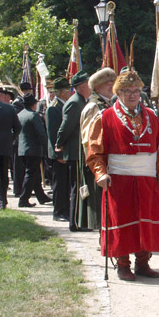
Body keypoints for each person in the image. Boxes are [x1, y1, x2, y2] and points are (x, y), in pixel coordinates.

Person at [86, 69, 159, 281]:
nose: (132, 95)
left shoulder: (152, 117)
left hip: (146, 178)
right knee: (123, 221)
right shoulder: (104, 117)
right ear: (118, 92)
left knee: (145, 221)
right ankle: (122, 264)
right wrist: (101, 174)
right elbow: (95, 151)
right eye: (126, 91)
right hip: (119, 179)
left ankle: (143, 262)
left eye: (136, 90)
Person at [78, 68, 116, 231]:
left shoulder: (108, 103)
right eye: (106, 84)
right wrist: (94, 164)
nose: (110, 86)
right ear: (97, 87)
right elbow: (88, 139)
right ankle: (104, 237)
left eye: (111, 83)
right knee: (98, 201)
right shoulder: (93, 107)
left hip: (108, 159)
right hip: (97, 161)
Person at [55, 71, 91, 231]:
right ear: (82, 86)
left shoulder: (81, 101)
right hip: (75, 152)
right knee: (77, 188)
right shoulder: (75, 103)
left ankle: (80, 220)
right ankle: (75, 222)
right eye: (88, 84)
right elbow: (65, 127)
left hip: (80, 152)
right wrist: (59, 144)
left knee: (81, 187)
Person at [46, 77, 73, 222]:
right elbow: (53, 133)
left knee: (66, 184)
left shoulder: (63, 105)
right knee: (59, 184)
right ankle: (58, 212)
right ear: (62, 92)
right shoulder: (53, 107)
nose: (70, 91)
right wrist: (59, 153)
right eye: (68, 89)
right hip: (58, 155)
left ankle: (65, 210)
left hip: (66, 152)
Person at [18, 94, 52, 208]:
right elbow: (41, 134)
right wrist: (47, 147)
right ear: (34, 104)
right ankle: (23, 199)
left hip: (22, 149)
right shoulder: (34, 116)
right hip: (34, 149)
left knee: (35, 174)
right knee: (31, 174)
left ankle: (41, 196)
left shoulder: (19, 115)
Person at [11, 81, 34, 198]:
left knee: (26, 166)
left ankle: (26, 189)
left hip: (26, 137)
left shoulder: (26, 102)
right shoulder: (17, 104)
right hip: (19, 138)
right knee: (18, 166)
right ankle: (18, 189)